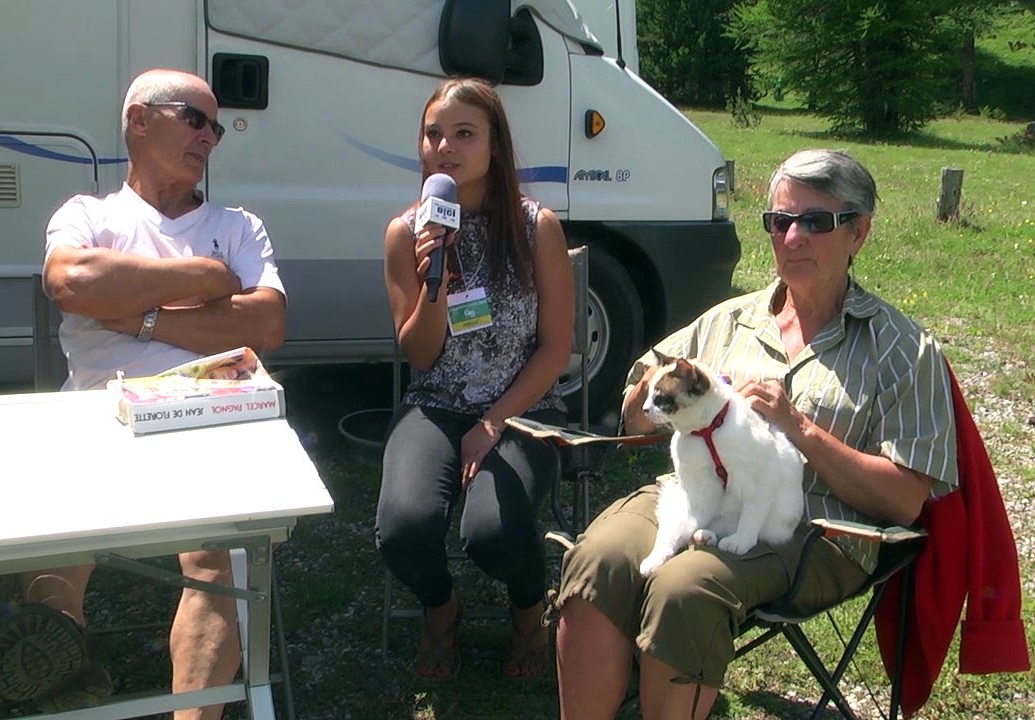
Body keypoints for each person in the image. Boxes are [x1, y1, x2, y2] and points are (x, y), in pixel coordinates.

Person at [552, 149, 959, 719]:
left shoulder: (904, 351)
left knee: (685, 587)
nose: (792, 237)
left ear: (858, 233)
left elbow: (905, 498)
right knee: (599, 559)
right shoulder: (729, 319)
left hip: (811, 524)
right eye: (779, 221)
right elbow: (637, 410)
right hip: (695, 493)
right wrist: (647, 404)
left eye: (815, 222)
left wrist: (800, 429)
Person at [0, 68, 286, 719]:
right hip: (95, 420)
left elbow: (265, 324)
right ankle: (62, 673)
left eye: (216, 124)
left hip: (206, 417)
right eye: (194, 117)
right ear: (139, 122)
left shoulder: (238, 226)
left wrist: (141, 316)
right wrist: (205, 276)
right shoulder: (88, 215)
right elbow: (73, 282)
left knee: (220, 560)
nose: (211, 135)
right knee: (54, 549)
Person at [375, 77, 574, 681]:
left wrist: (494, 422)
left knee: (492, 531)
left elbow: (556, 347)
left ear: (495, 144)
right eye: (434, 133)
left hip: (525, 404)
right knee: (403, 528)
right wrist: (435, 272)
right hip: (438, 401)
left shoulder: (535, 225)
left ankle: (529, 615)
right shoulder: (406, 233)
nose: (445, 147)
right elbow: (421, 355)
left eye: (464, 133)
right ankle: (442, 610)